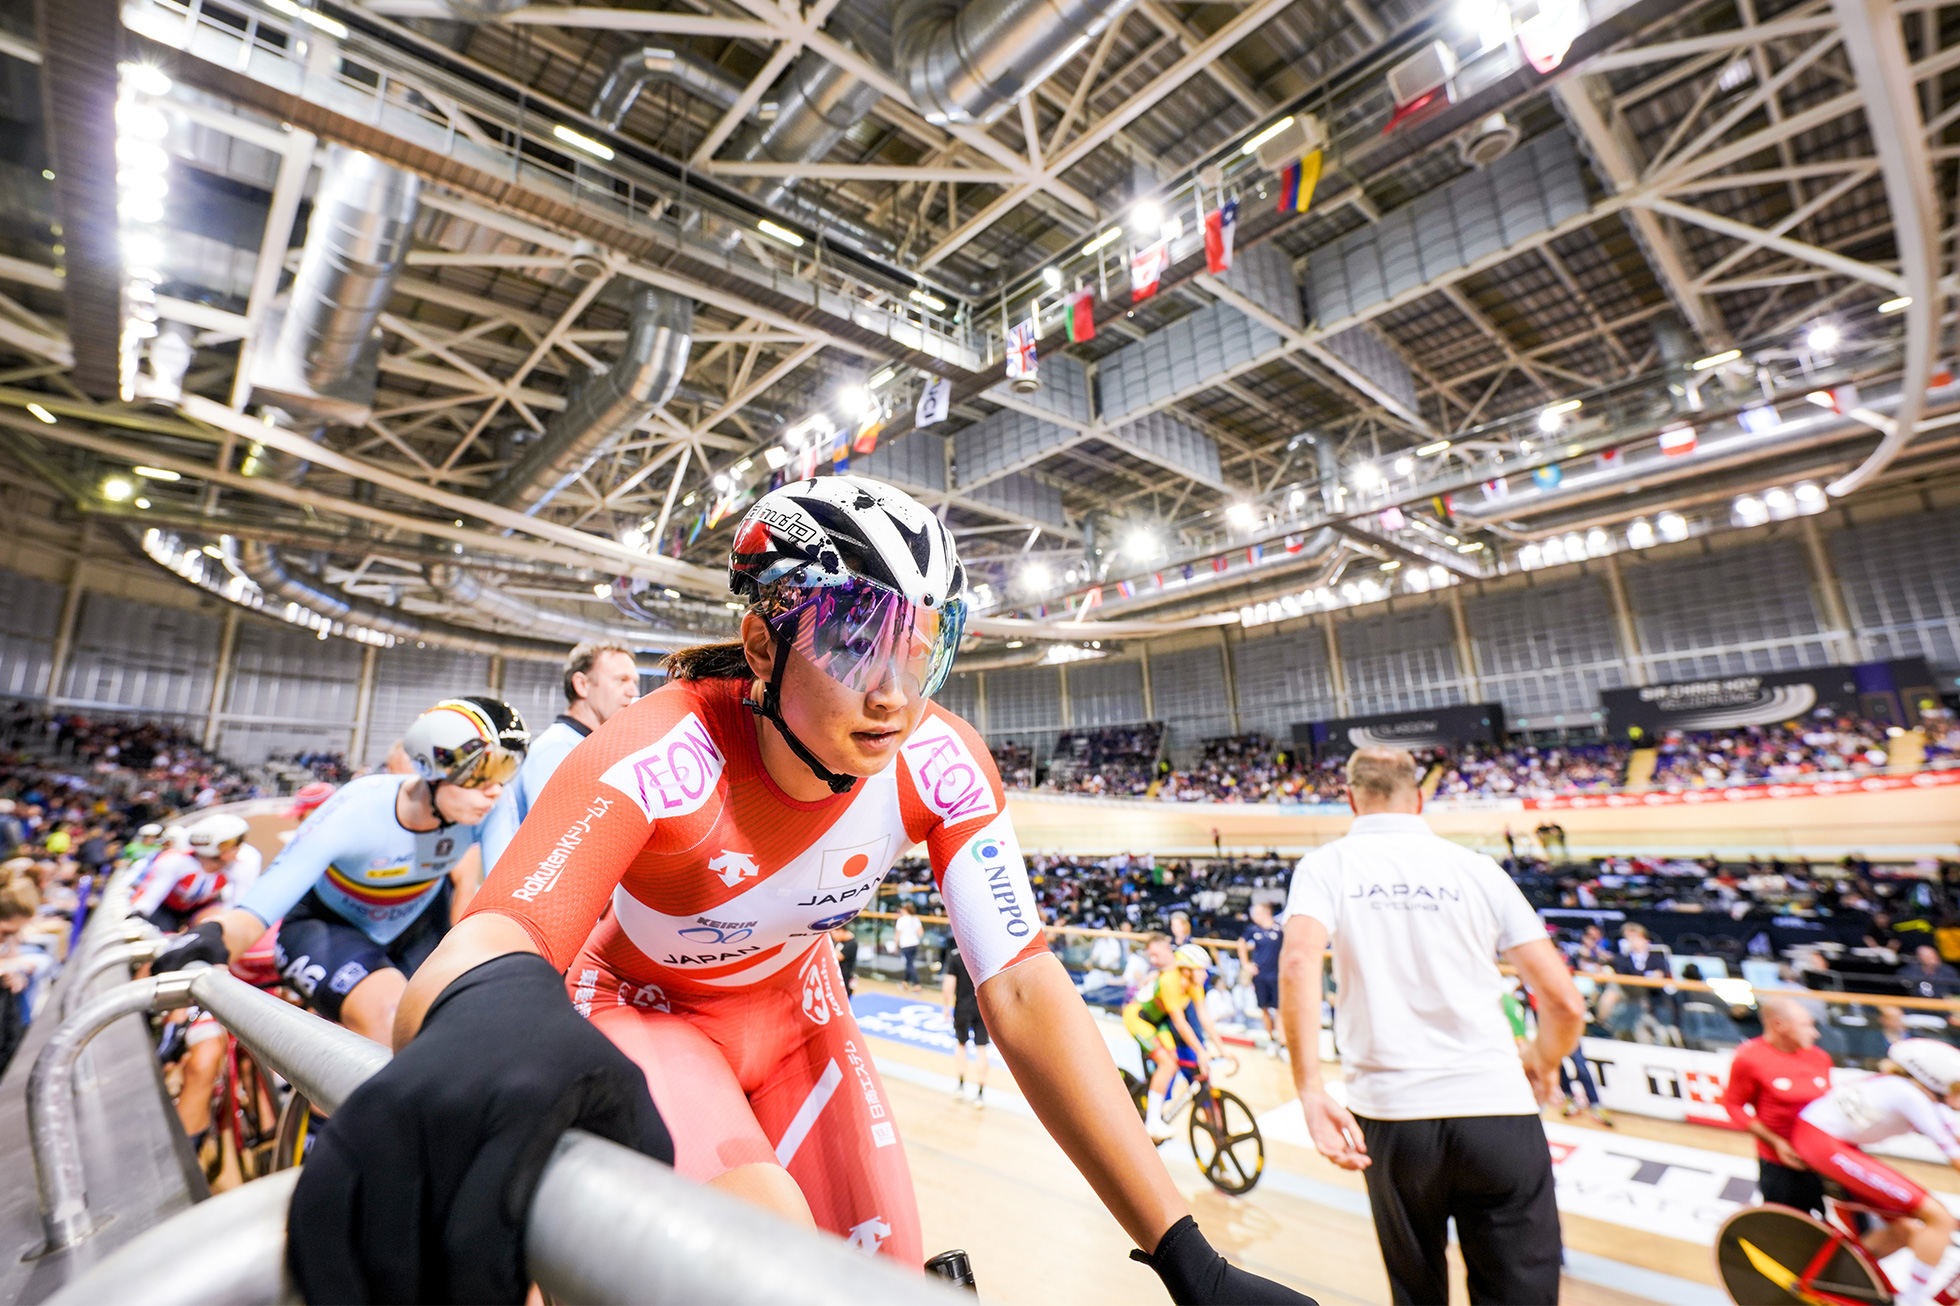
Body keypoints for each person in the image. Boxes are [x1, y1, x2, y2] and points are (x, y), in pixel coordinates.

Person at [278, 477, 1310, 1306]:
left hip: (797, 1013)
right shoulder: (663, 747)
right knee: (762, 1244)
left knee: (886, 1279)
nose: (895, 693)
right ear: (764, 643)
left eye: (922, 641)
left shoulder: (942, 758)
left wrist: (1185, 1255)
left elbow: (1027, 989)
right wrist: (480, 1019)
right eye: (856, 638)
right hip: (651, 1013)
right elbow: (495, 930)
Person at [1279, 745, 1586, 1306]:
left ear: (1351, 799)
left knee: (1417, 1294)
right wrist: (1542, 1060)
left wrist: (1309, 1087)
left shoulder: (1327, 865)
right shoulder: (1478, 869)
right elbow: (1565, 1002)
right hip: (1498, 1109)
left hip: (1393, 1117)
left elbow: (1298, 962)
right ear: (1420, 797)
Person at [152, 698, 526, 1046]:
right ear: (433, 769)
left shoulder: (493, 804)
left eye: (506, 772)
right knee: (389, 1018)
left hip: (415, 926)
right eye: (480, 775)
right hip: (327, 926)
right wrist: (215, 937)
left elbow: (513, 895)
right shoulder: (358, 808)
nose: (495, 791)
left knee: (457, 1029)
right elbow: (262, 904)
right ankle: (326, 1116)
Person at [1792, 1040, 1960, 1306]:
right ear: (1936, 1082)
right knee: (1939, 1218)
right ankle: (1912, 1302)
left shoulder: (1918, 1092)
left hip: (1829, 1142)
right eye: (1957, 1088)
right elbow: (1954, 1154)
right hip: (1822, 1144)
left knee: (1908, 1231)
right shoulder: (1907, 1094)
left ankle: (1843, 1278)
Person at [479, 640, 641, 876]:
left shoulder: (586, 747)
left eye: (634, 682)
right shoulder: (556, 752)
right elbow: (558, 847)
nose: (633, 692)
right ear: (582, 685)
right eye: (621, 680)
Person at [1722, 996, 1831, 1217]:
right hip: (1778, 1164)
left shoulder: (1820, 1057)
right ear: (1779, 1025)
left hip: (1820, 1159)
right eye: (1806, 1026)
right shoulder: (1749, 1058)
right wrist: (1777, 1143)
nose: (1815, 1033)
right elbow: (1733, 1106)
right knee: (1787, 1227)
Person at [1124, 936, 1225, 1141]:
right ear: (1187, 969)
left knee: (1173, 1061)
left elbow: (1204, 1017)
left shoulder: (1194, 985)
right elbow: (1180, 1023)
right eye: (1201, 969)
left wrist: (1223, 1049)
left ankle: (1151, 1099)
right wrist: (1201, 1052)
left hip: (1157, 1022)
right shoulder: (1170, 981)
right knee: (1168, 1064)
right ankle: (1152, 1123)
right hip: (1138, 1018)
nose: (1205, 974)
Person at [130, 812, 252, 933]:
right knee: (157, 931)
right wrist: (139, 913)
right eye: (233, 844)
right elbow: (151, 897)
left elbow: (238, 904)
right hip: (166, 909)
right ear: (215, 846)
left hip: (202, 908)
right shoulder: (177, 861)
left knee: (214, 922)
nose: (239, 849)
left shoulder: (237, 866)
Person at [942, 941, 989, 1103]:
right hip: (982, 1009)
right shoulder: (985, 958)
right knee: (981, 1048)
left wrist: (946, 1007)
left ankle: (961, 1086)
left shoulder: (956, 957)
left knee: (961, 1045)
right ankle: (980, 1094)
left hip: (962, 1008)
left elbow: (948, 985)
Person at [1237, 900, 1286, 1057]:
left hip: (1277, 975)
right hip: (1260, 976)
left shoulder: (1279, 929)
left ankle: (1283, 1044)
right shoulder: (1253, 930)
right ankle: (1272, 1041)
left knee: (1279, 1010)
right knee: (1264, 1008)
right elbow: (1241, 943)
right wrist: (1246, 964)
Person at [895, 900, 924, 991]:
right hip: (914, 944)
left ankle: (917, 984)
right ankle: (905, 982)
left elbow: (897, 934)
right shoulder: (915, 919)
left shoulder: (901, 920)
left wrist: (896, 945)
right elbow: (920, 933)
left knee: (909, 964)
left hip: (906, 944)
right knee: (909, 963)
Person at [832, 924, 859, 996]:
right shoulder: (840, 941)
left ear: (840, 931)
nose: (833, 937)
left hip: (845, 978)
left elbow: (839, 956)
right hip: (837, 976)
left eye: (833, 934)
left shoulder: (852, 943)